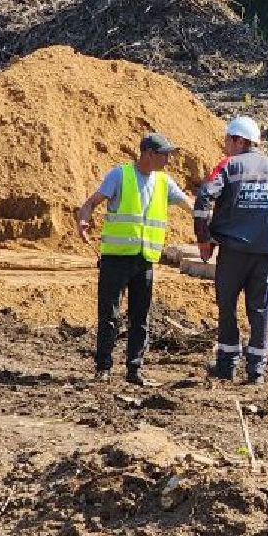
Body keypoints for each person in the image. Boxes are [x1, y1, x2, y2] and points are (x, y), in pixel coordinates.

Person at [76, 133, 192, 386]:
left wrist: (211, 220)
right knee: (110, 314)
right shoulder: (120, 175)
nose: (168, 159)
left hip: (144, 260)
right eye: (164, 154)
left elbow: (189, 206)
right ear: (149, 153)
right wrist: (83, 221)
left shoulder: (164, 182)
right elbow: (91, 203)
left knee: (141, 317)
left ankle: (134, 369)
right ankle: (103, 368)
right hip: (116, 259)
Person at [194, 115, 268, 385]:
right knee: (260, 310)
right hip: (267, 252)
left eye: (227, 141)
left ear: (239, 140)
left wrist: (203, 237)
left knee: (227, 307)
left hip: (233, 251)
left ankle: (227, 365)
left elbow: (204, 197)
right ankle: (257, 370)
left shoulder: (229, 166)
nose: (225, 147)